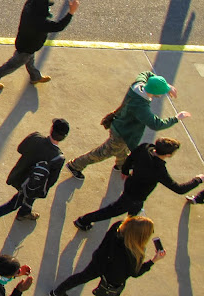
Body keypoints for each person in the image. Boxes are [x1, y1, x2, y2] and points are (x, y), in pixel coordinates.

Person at [66, 71, 189, 180]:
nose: (163, 95)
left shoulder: (138, 86)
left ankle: (121, 165)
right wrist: (176, 118)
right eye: (162, 92)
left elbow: (147, 74)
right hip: (122, 134)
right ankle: (75, 165)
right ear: (155, 92)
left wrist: (166, 86)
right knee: (101, 153)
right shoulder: (141, 107)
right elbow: (155, 124)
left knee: (123, 151)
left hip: (120, 126)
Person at [73, 137, 204, 231]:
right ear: (168, 155)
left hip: (131, 184)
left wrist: (125, 170)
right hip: (135, 196)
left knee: (134, 210)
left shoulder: (146, 147)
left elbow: (130, 157)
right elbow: (179, 189)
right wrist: (197, 180)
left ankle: (130, 224)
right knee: (112, 211)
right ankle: (83, 220)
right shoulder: (159, 170)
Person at [0, 0, 79, 89]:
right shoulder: (41, 23)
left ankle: (35, 77)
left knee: (30, 62)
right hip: (26, 49)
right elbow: (59, 26)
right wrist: (71, 12)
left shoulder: (28, 7)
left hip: (25, 44)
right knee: (10, 66)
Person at [0, 119, 69, 231]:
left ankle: (25, 212)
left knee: (25, 197)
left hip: (19, 175)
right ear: (64, 137)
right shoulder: (58, 158)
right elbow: (52, 180)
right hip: (31, 184)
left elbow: (20, 149)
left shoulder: (35, 137)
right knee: (13, 204)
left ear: (51, 129)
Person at [50, 216, 165, 296]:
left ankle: (57, 292)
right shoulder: (133, 253)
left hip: (100, 261)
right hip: (113, 276)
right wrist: (154, 260)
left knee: (82, 277)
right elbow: (135, 273)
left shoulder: (118, 226)